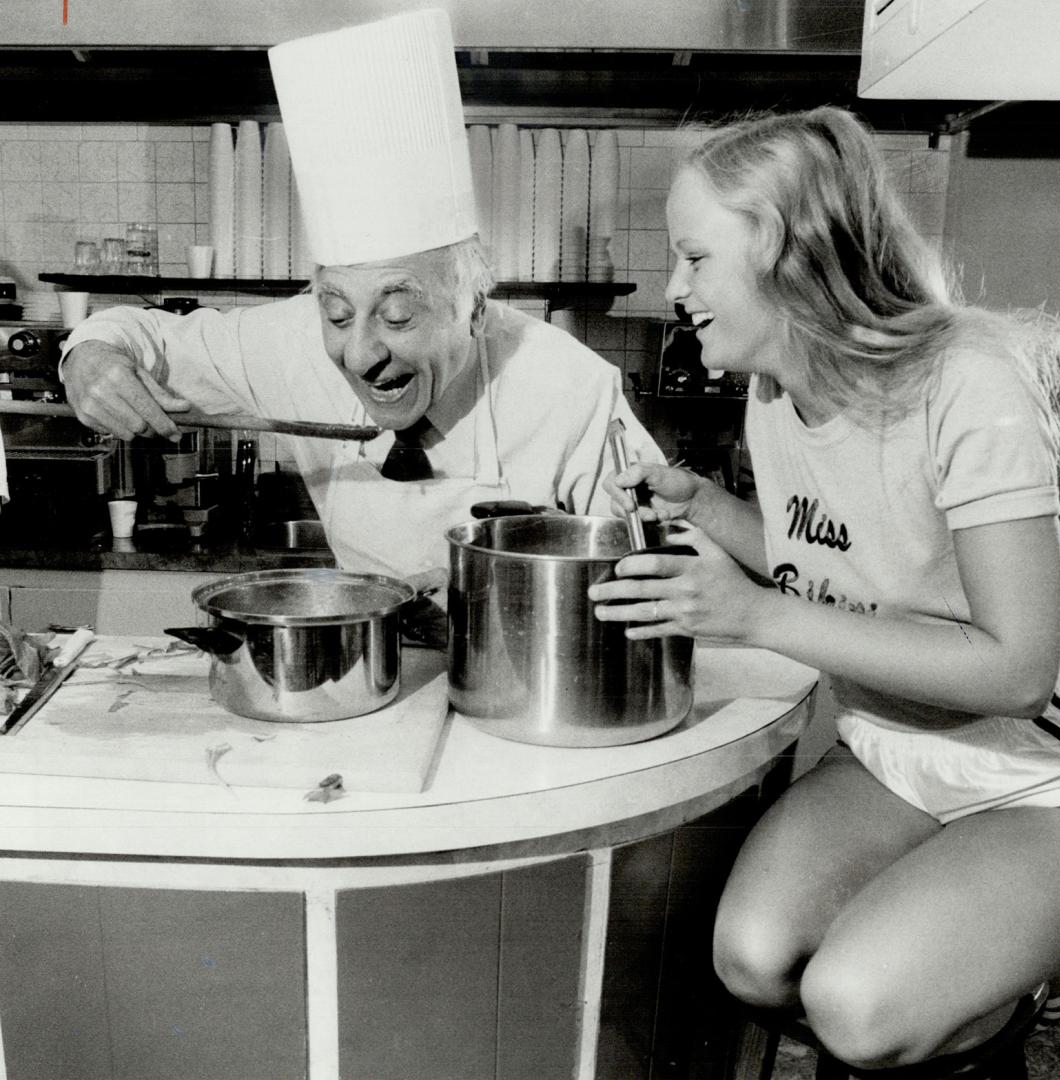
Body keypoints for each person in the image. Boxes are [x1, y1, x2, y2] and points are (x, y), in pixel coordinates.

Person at [589, 106, 1060, 1071]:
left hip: (1041, 773)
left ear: (789, 254)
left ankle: (1009, 971)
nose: (675, 288)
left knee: (854, 1007)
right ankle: (968, 957)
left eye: (694, 258)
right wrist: (705, 511)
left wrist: (755, 615)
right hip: (890, 749)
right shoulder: (776, 398)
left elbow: (1017, 671)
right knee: (753, 959)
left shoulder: (967, 382)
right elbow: (835, 562)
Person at [59, 9, 659, 637]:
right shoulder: (289, 343)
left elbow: (651, 575)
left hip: (524, 680)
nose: (360, 353)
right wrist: (90, 358)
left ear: (475, 308)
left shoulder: (568, 385)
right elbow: (137, 334)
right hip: (372, 677)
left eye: (398, 314)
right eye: (338, 313)